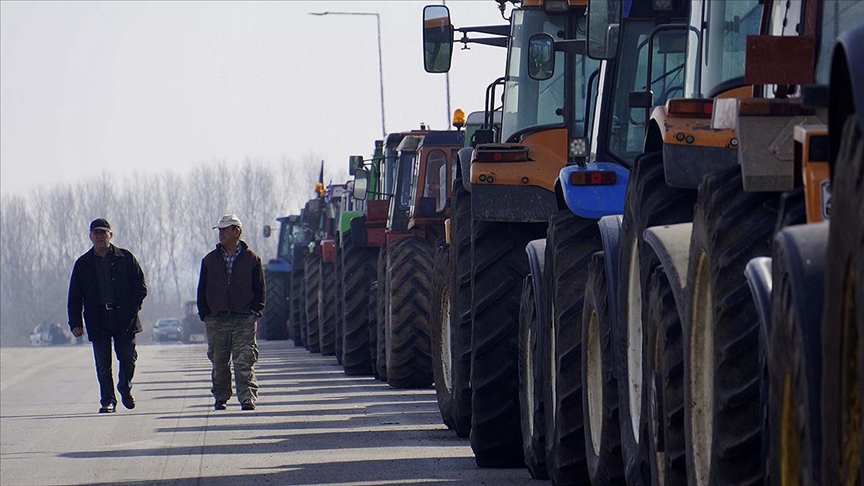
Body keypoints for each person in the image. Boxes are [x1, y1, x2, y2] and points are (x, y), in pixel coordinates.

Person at [68, 218, 147, 414]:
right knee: (103, 365)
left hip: (124, 318)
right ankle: (107, 400)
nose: (100, 237)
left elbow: (141, 288)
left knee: (128, 358)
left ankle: (124, 387)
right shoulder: (83, 264)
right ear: (90, 236)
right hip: (97, 319)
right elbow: (75, 296)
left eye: (104, 233)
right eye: (96, 233)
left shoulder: (125, 258)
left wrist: (132, 308)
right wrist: (75, 323)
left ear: (111, 235)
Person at [197, 214, 265, 411]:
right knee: (219, 361)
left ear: (237, 231)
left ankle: (247, 398)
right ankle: (220, 396)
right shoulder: (209, 260)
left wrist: (255, 311)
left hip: (244, 318)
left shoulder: (252, 259)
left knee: (244, 360)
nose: (221, 234)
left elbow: (260, 288)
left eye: (225, 230)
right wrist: (206, 315)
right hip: (217, 319)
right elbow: (202, 289)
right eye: (219, 230)